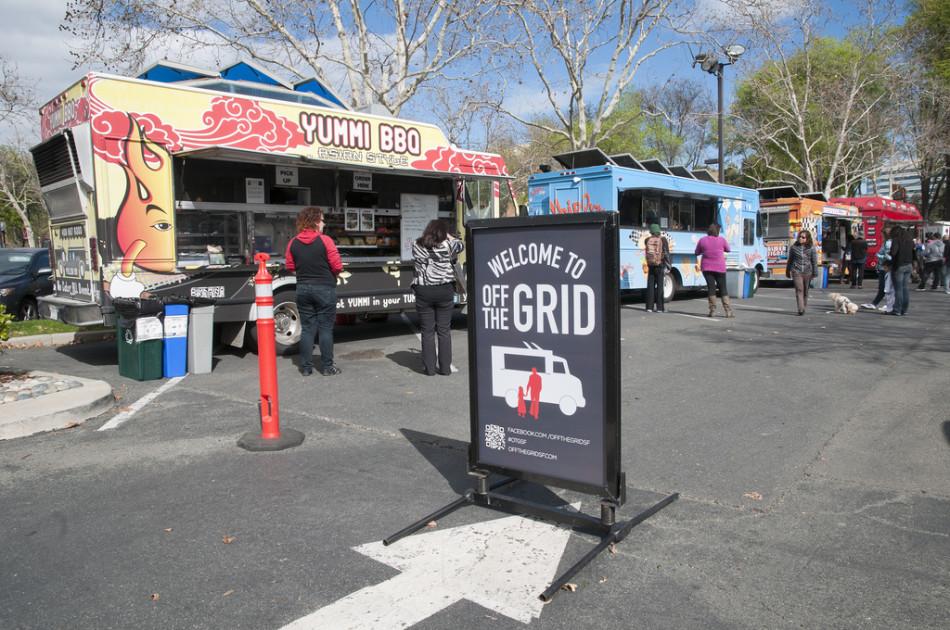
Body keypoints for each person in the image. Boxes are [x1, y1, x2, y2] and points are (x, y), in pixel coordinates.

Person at [285, 206, 343, 376]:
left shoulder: (293, 242)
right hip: (325, 288)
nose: (324, 223)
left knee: (308, 328)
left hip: (303, 288)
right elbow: (337, 266)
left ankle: (306, 367)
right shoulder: (325, 241)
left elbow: (290, 266)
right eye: (323, 219)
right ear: (316, 221)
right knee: (325, 328)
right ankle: (327, 367)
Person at [412, 219, 463, 376]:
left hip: (424, 290)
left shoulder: (416, 244)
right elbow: (461, 245)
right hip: (444, 290)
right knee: (444, 331)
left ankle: (429, 369)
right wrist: (449, 236)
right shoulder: (448, 245)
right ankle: (445, 368)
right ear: (443, 232)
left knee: (427, 331)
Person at [695, 222, 732, 317]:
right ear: (718, 231)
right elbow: (728, 249)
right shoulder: (722, 240)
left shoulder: (702, 240)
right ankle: (728, 311)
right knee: (723, 288)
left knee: (711, 288)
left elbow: (696, 252)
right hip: (720, 267)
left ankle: (712, 311)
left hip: (707, 268)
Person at [786, 230, 818, 315]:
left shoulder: (811, 248)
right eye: (800, 236)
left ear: (807, 238)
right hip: (796, 271)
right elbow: (790, 260)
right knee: (799, 289)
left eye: (803, 237)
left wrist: (815, 272)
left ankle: (804, 306)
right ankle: (800, 309)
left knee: (805, 291)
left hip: (808, 272)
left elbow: (814, 261)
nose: (800, 238)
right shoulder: (793, 247)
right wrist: (787, 271)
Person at [862, 226, 892, 311]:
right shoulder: (886, 242)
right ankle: (875, 303)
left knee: (885, 287)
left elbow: (888, 256)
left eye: (882, 234)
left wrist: (878, 255)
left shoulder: (888, 243)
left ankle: (885, 304)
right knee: (883, 288)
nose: (881, 236)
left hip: (885, 268)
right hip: (882, 267)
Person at [642, 224, 670, 313]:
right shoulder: (663, 240)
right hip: (660, 265)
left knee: (650, 286)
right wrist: (669, 265)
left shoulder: (647, 240)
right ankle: (660, 308)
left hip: (651, 265)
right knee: (660, 286)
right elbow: (666, 253)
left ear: (651, 231)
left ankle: (649, 307)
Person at [888, 225, 915, 316]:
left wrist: (889, 253)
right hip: (909, 265)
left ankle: (897, 309)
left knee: (898, 289)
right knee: (905, 288)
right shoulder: (910, 240)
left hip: (899, 265)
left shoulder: (896, 240)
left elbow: (893, 253)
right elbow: (914, 253)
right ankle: (904, 309)